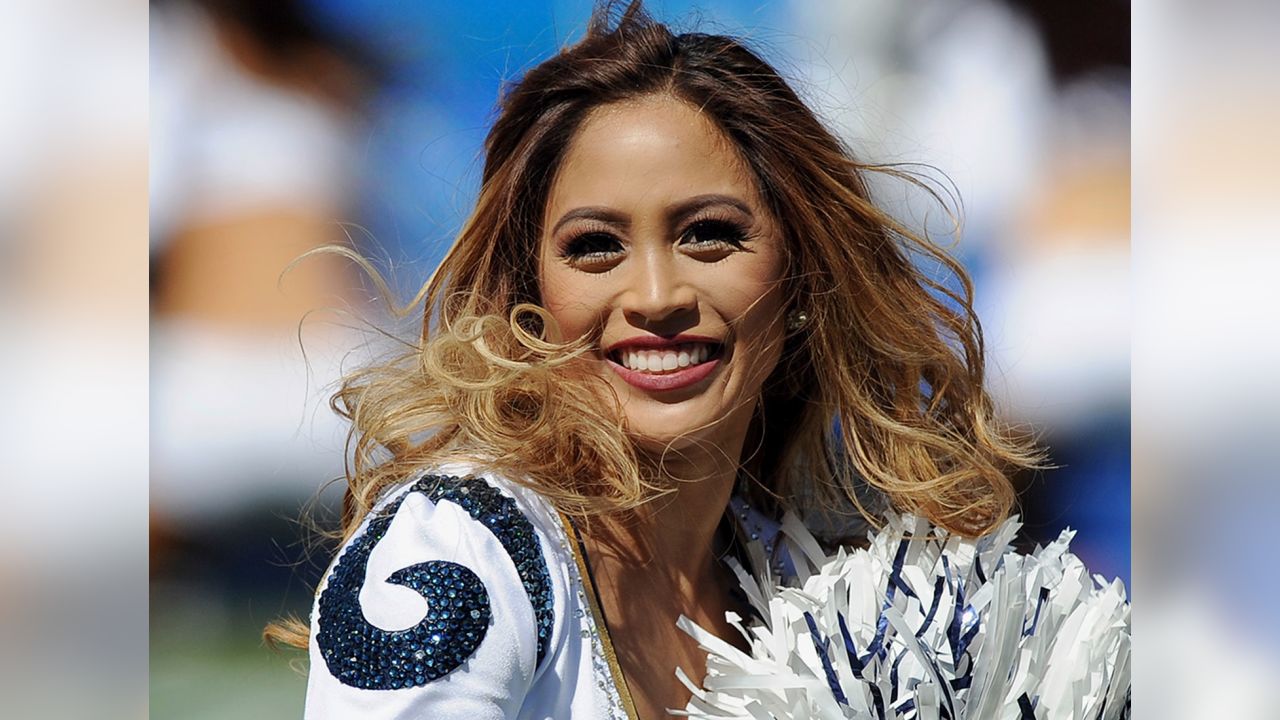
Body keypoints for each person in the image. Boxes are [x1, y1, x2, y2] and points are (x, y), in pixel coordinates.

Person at [270, 2, 1041, 717]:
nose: (655, 295)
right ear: (528, 295)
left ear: (804, 272)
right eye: (595, 247)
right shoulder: (461, 548)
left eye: (707, 233)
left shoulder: (815, 585)